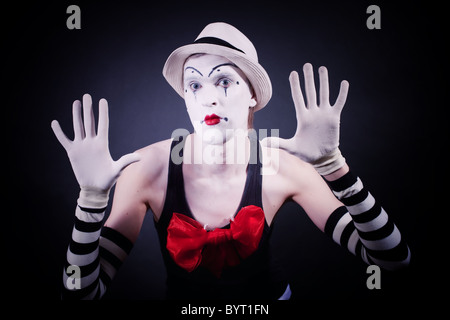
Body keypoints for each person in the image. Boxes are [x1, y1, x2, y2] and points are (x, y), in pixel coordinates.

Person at [52, 22, 410, 300]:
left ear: (252, 95)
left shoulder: (282, 166)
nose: (208, 98)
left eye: (223, 80)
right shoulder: (147, 168)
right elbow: (82, 292)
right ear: (186, 98)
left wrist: (335, 168)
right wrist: (90, 202)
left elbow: (392, 259)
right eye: (194, 85)